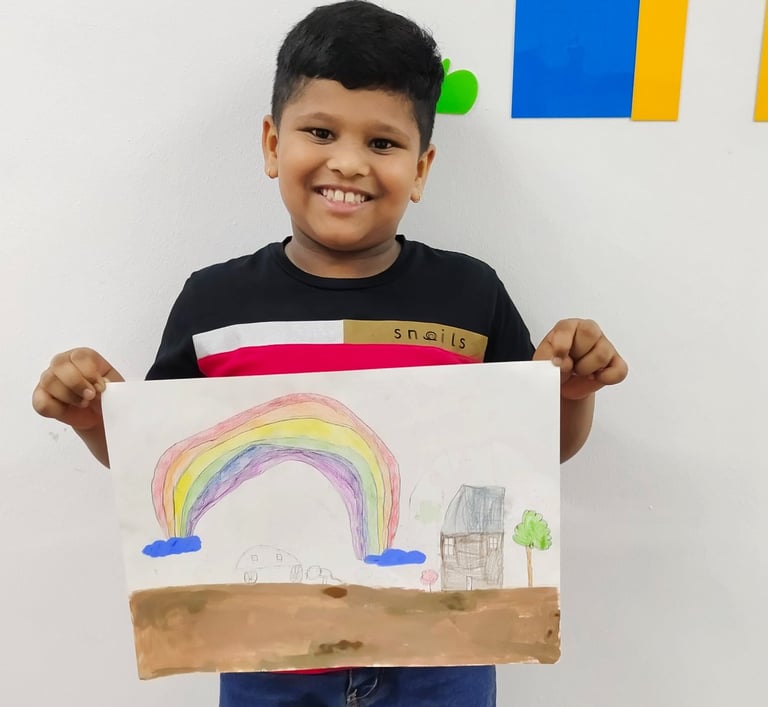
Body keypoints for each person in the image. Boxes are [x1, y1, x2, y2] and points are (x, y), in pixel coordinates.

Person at [32, 2, 628, 705]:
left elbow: (535, 452)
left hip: (442, 660)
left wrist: (572, 393)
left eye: (382, 142)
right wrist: (92, 418)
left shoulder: (470, 294)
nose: (347, 161)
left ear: (422, 168)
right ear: (271, 143)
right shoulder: (213, 303)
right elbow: (166, 463)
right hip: (266, 665)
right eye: (320, 132)